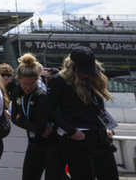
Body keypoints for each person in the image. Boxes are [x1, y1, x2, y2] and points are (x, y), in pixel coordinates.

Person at [48, 46, 119, 180]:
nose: (87, 74)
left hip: (99, 137)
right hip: (75, 138)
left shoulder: (93, 78)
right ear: (74, 67)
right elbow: (51, 110)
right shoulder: (59, 80)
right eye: (83, 71)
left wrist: (107, 128)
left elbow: (99, 108)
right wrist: (71, 131)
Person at [11, 53, 66, 180]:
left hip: (51, 145)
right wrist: (23, 121)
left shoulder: (41, 96)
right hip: (34, 143)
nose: (28, 87)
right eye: (25, 83)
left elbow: (41, 127)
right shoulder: (17, 91)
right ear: (19, 79)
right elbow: (14, 118)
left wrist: (21, 119)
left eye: (32, 84)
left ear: (37, 80)